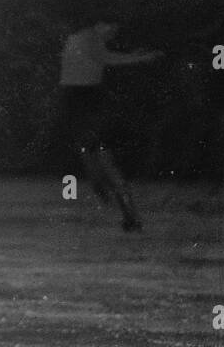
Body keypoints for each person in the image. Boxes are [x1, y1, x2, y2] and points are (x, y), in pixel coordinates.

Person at [59, 20, 163, 232]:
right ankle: (125, 211)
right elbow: (107, 59)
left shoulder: (81, 38)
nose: (113, 35)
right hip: (85, 101)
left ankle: (114, 202)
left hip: (78, 101)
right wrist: (141, 58)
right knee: (102, 157)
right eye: (111, 28)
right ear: (99, 24)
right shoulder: (87, 39)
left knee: (93, 155)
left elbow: (99, 59)